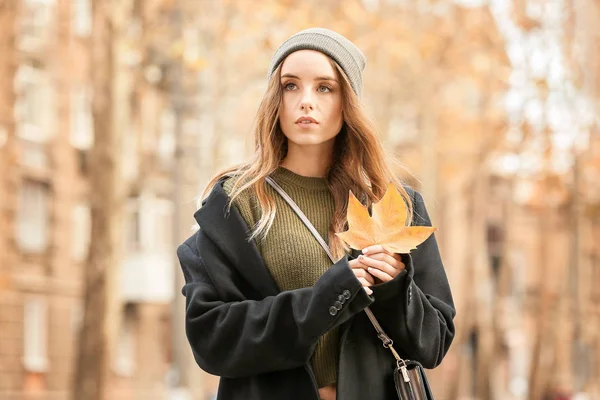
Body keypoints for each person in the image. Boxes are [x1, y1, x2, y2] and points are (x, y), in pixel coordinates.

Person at [177, 28, 455, 400]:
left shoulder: (394, 205)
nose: (305, 101)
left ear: (348, 102)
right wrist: (326, 297)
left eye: (325, 87)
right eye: (291, 86)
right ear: (275, 100)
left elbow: (433, 344)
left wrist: (394, 289)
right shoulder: (235, 204)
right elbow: (212, 339)